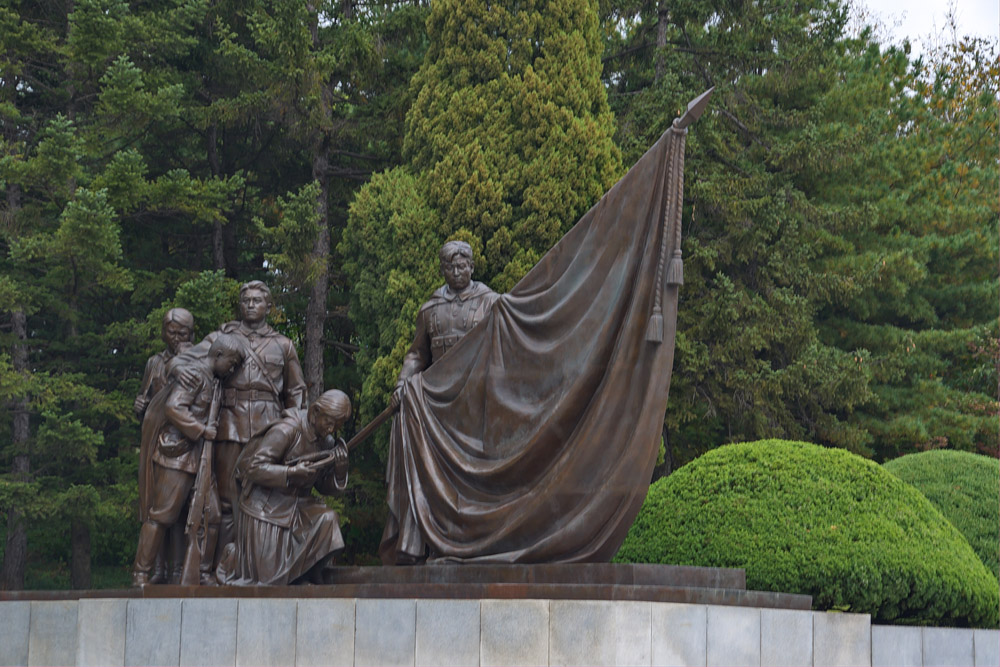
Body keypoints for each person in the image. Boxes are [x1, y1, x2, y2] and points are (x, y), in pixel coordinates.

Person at [196, 280, 307, 565]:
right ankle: (223, 565)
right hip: (229, 424)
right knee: (225, 499)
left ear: (269, 307)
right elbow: (196, 364)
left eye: (257, 300)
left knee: (261, 497)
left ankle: (257, 565)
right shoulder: (222, 336)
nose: (251, 305)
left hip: (268, 429)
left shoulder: (284, 345)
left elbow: (296, 392)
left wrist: (294, 429)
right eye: (246, 300)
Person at [132, 334, 245, 586]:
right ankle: (141, 573)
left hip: (199, 458)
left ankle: (202, 572)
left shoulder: (214, 380)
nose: (233, 368)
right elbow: (173, 408)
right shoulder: (195, 375)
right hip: (177, 454)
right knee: (162, 515)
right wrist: (201, 430)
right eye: (232, 362)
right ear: (217, 355)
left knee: (213, 514)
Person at [216, 390, 351, 585]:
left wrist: (339, 471)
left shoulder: (326, 442)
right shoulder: (287, 430)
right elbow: (254, 468)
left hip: (299, 507)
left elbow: (322, 485)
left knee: (328, 519)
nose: (331, 430)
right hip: (265, 505)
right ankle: (233, 557)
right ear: (315, 412)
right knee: (265, 580)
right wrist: (289, 473)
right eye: (328, 422)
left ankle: (306, 574)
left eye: (336, 426)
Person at [391, 240, 499, 409]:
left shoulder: (491, 303)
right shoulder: (430, 309)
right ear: (442, 270)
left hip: (478, 392)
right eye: (450, 268)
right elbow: (417, 355)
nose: (456, 273)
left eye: (461, 267)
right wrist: (401, 384)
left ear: (471, 267)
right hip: (439, 394)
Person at [135, 307, 195, 584]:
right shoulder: (154, 363)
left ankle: (175, 570)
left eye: (182, 332)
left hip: (185, 443)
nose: (176, 337)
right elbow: (149, 399)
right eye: (171, 332)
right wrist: (141, 406)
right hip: (155, 441)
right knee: (155, 506)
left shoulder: (197, 359)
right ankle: (154, 570)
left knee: (179, 509)